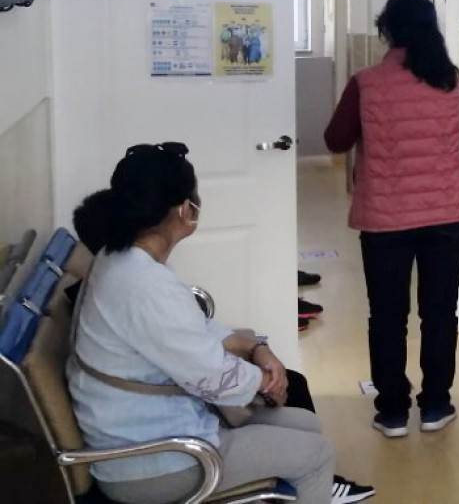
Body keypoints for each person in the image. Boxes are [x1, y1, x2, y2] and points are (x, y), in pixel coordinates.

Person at [67, 142, 374, 504]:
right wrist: (267, 381)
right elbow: (212, 377)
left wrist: (255, 347)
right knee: (316, 455)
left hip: (149, 431)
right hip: (157, 463)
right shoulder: (143, 286)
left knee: (307, 425)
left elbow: (190, 331)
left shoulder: (121, 259)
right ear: (185, 210)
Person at [324, 0, 459, 439]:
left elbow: (335, 139)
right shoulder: (450, 78)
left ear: (387, 31)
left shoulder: (366, 83)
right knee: (440, 313)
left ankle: (392, 411)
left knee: (388, 317)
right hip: (448, 216)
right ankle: (436, 405)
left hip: (385, 220)